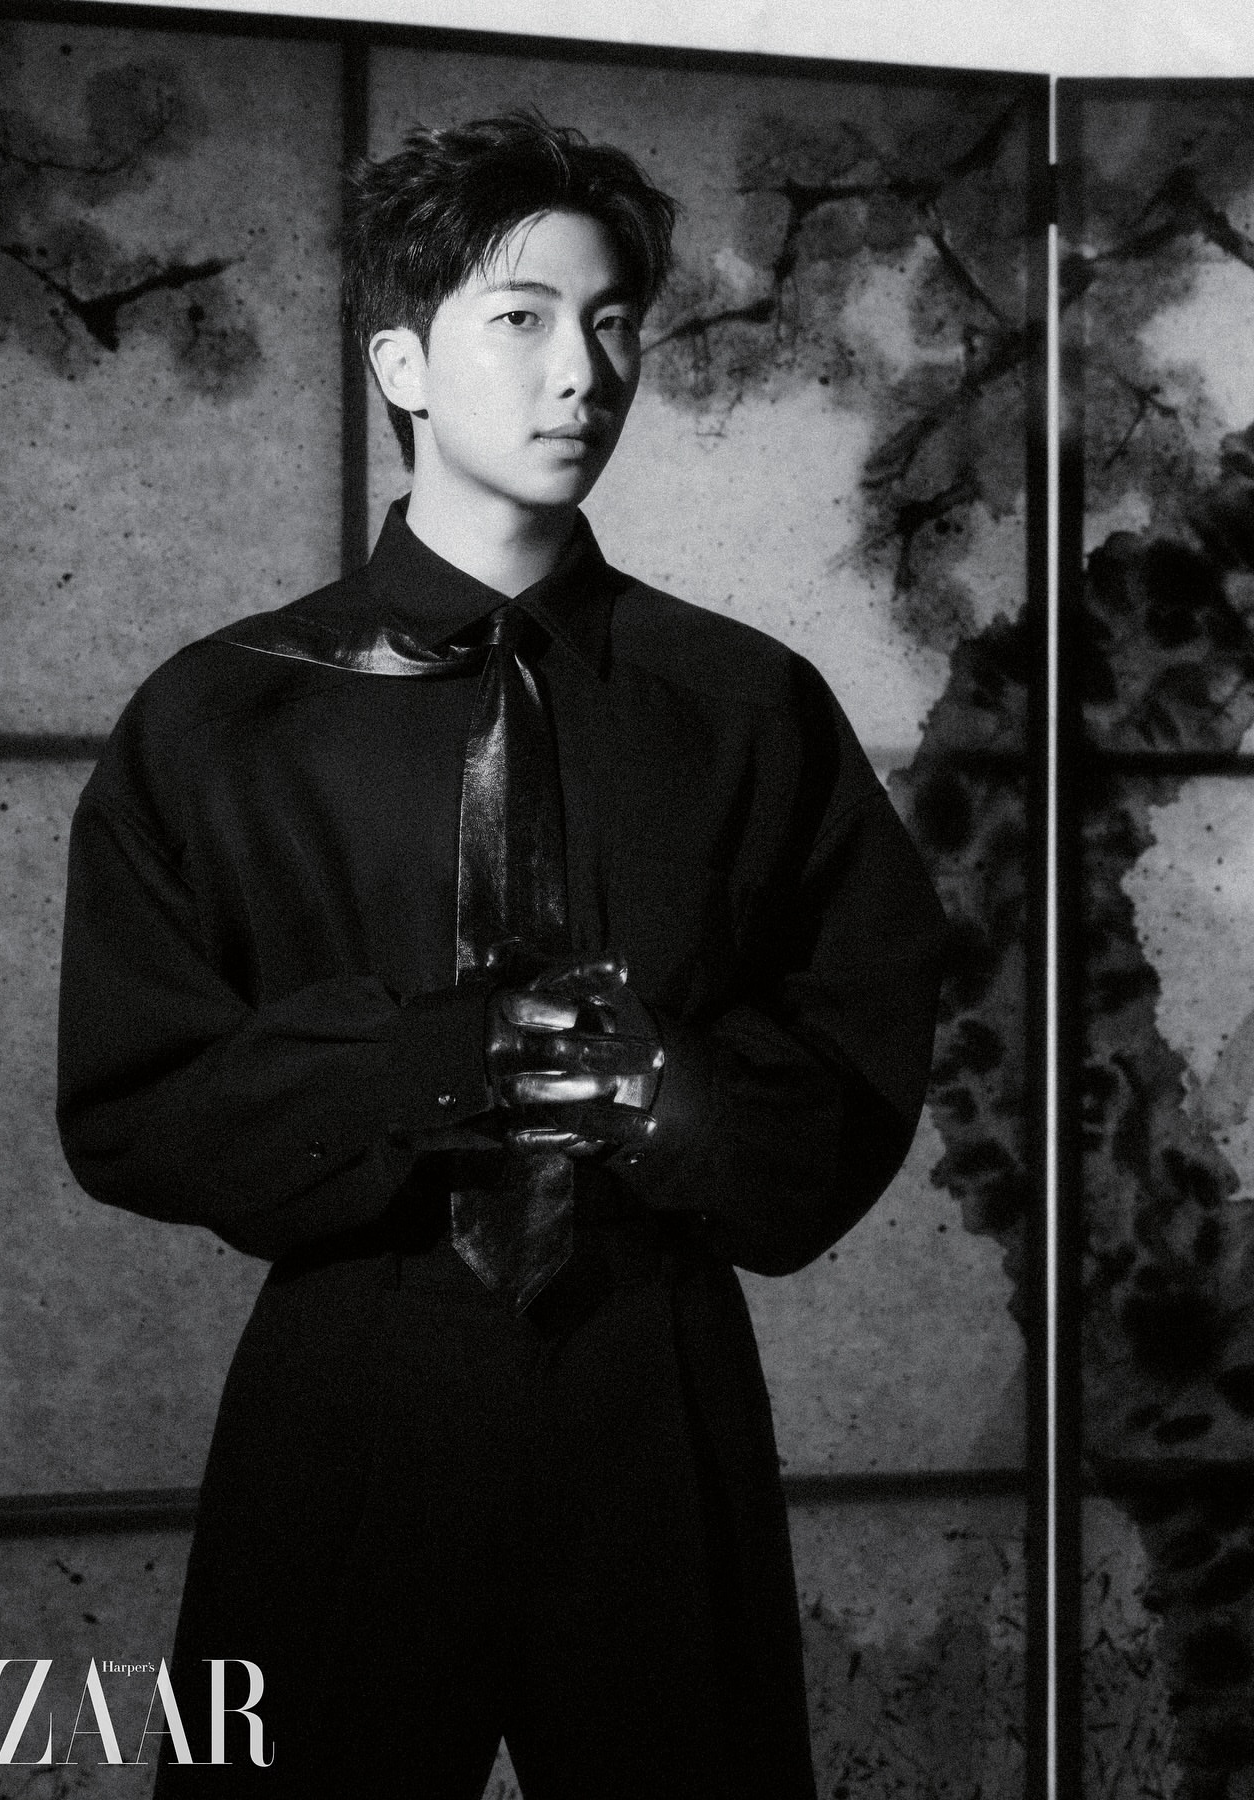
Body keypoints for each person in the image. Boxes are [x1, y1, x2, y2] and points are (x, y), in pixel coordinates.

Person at [56, 112, 946, 1800]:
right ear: (401, 360)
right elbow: (134, 1101)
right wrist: (441, 1059)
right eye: (522, 319)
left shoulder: (747, 706)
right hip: (351, 1384)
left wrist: (672, 1096)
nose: (581, 374)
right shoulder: (224, 715)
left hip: (655, 1380)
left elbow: (862, 1044)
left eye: (613, 323)